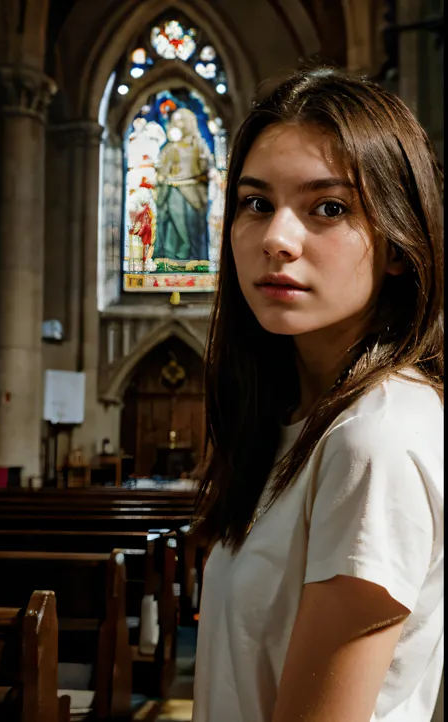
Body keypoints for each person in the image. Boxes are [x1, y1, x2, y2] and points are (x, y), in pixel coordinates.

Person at [191, 66, 443, 722]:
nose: (277, 238)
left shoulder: (376, 439)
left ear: (396, 243)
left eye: (328, 207)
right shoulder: (298, 421)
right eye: (256, 203)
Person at [154, 108, 212, 261]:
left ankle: (193, 258)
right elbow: (162, 169)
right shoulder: (170, 147)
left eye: (181, 120)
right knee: (173, 227)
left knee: (191, 228)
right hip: (172, 191)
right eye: (176, 120)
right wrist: (161, 176)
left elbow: (205, 167)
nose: (177, 123)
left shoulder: (198, 145)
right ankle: (171, 257)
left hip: (193, 192)